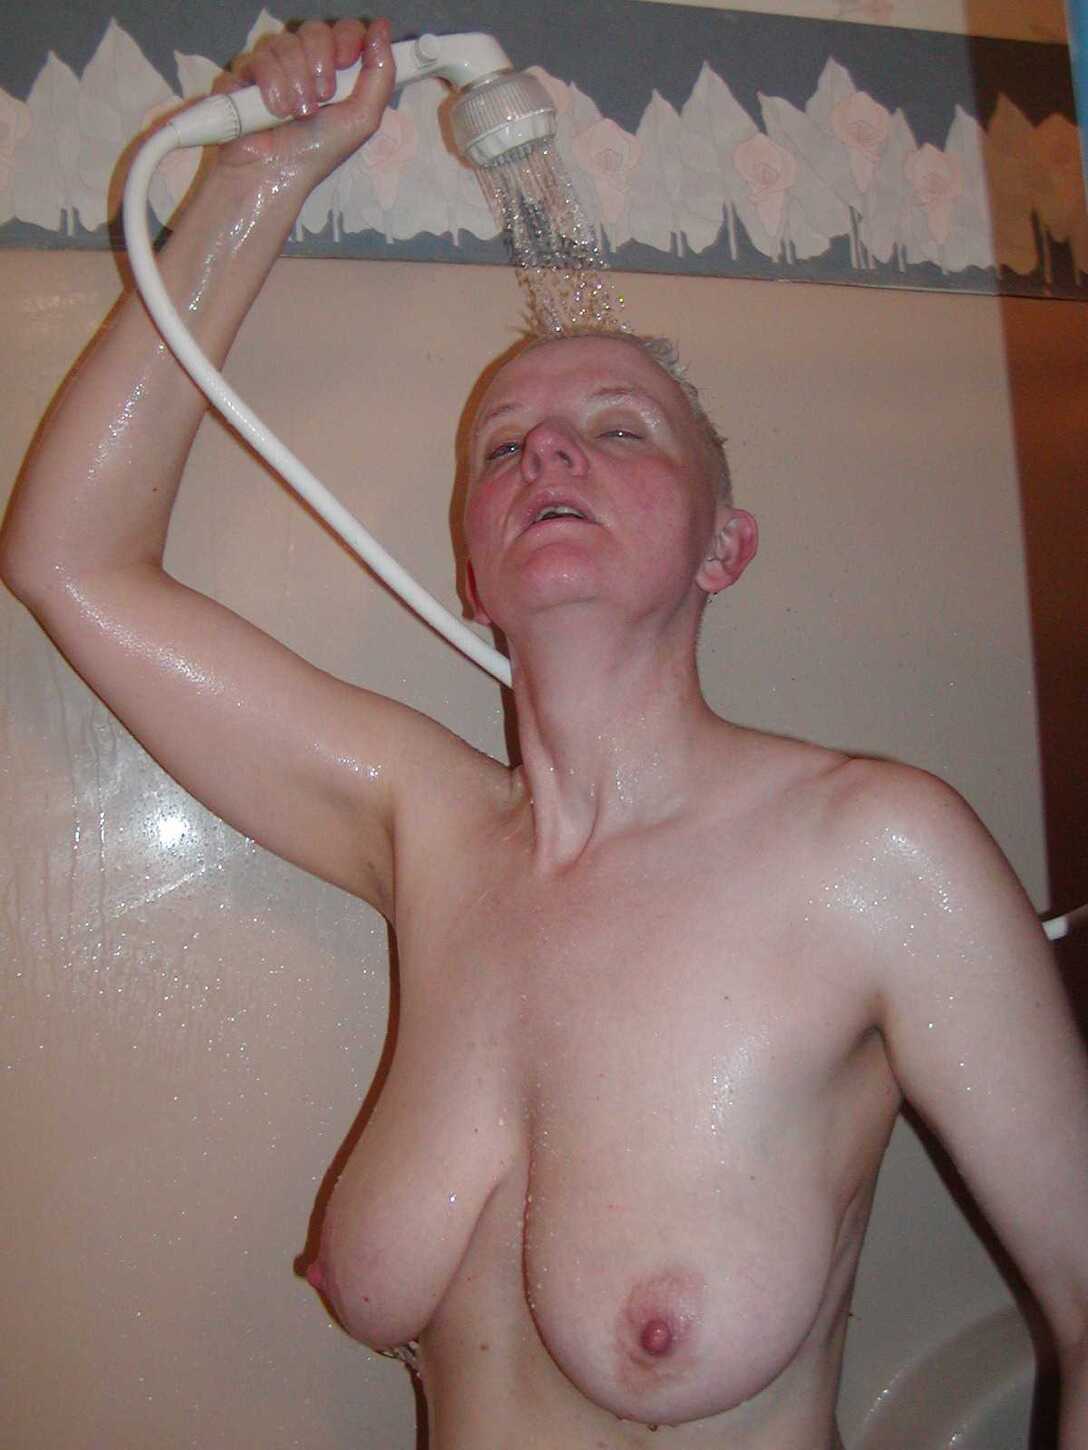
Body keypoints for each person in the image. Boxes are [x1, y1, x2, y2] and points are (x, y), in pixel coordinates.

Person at [2, 18, 1086, 1450]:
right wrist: (264, 177)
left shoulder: (875, 849)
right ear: (471, 573)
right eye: (503, 448)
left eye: (620, 430)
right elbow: (68, 560)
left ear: (725, 546)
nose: (552, 451)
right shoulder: (429, 832)